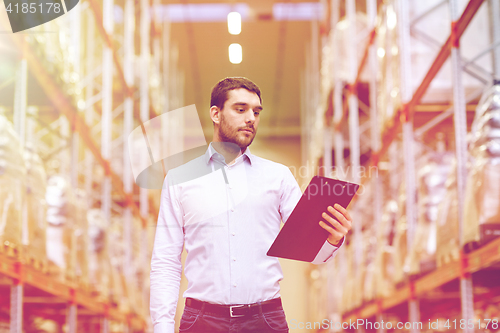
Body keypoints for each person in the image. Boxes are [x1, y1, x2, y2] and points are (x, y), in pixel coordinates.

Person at [150, 77, 353, 333]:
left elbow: (313, 252)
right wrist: (162, 326)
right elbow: (166, 260)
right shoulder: (179, 180)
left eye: (256, 112)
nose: (251, 118)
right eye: (240, 109)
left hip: (265, 320)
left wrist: (333, 238)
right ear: (215, 113)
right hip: (202, 321)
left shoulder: (278, 177)